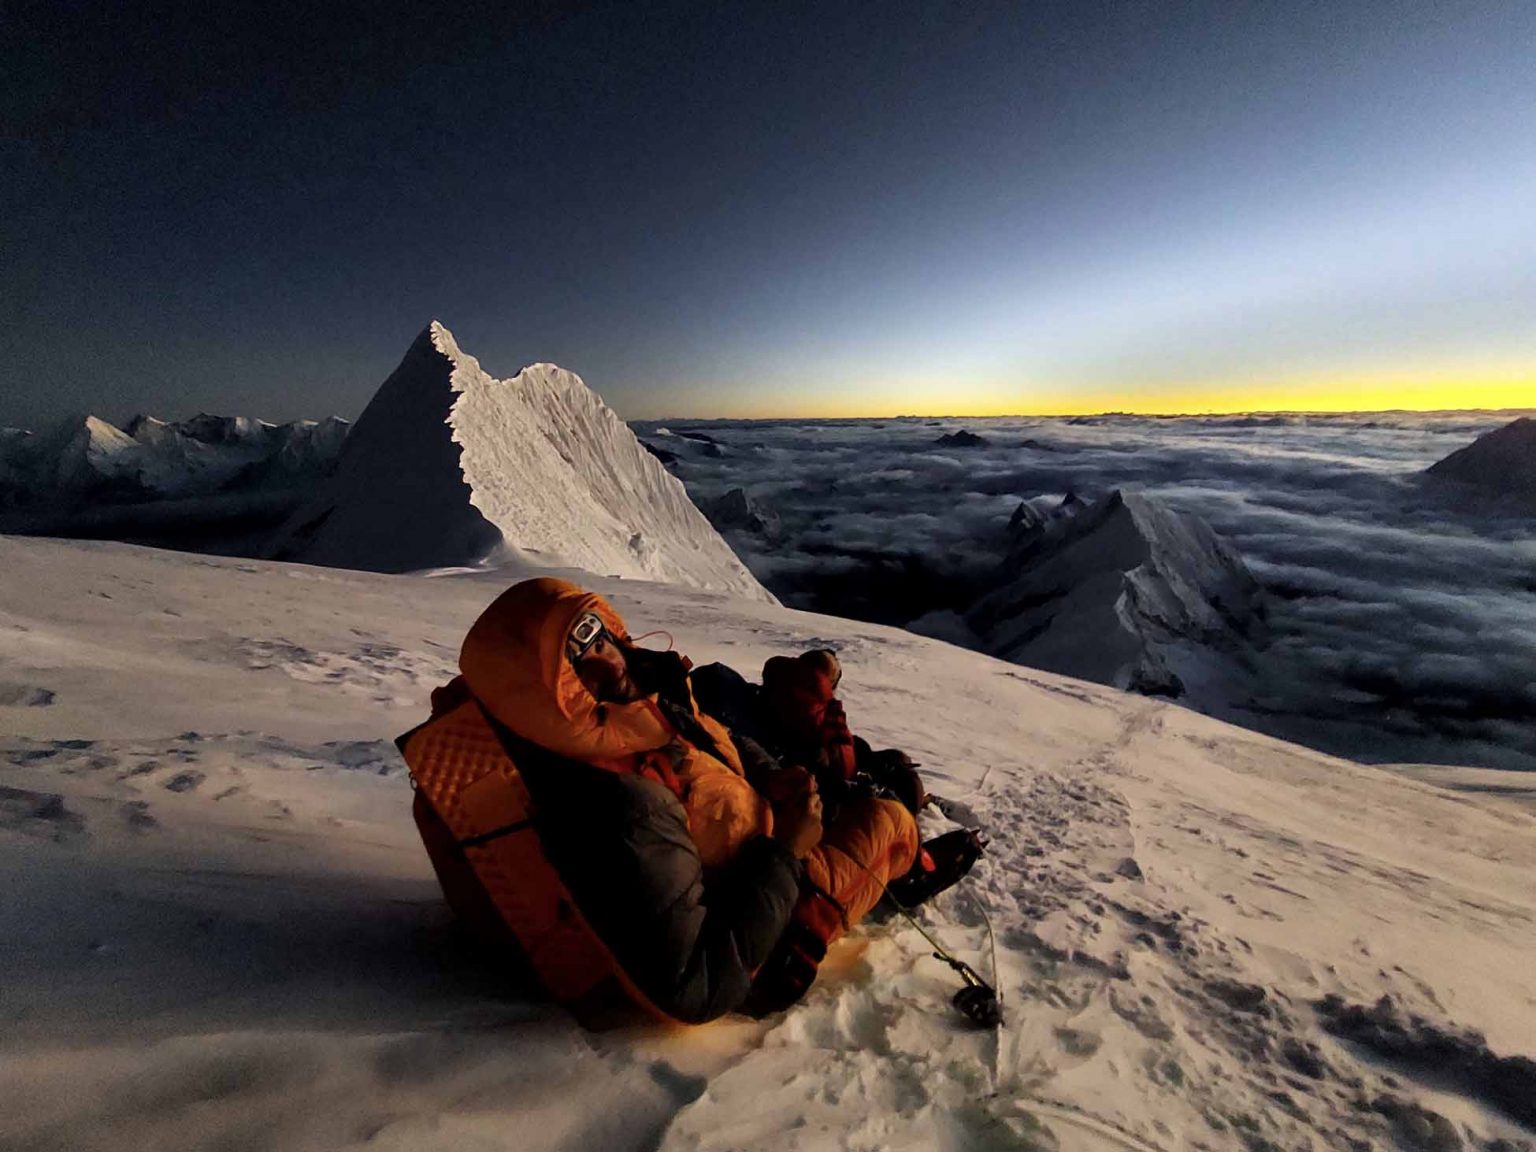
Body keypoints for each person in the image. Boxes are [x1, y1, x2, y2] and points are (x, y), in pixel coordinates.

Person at [399, 577, 919, 1024]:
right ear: (542, 691)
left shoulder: (574, 726)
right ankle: (891, 879)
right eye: (573, 664)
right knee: (889, 820)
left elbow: (711, 741)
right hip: (761, 896)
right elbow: (694, 988)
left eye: (597, 637)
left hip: (751, 837)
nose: (603, 659)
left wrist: (772, 775)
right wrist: (786, 849)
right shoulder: (624, 806)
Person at [692, 648, 984, 910]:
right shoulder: (815, 723)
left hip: (731, 768)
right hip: (777, 820)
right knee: (885, 815)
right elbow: (833, 770)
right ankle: (912, 870)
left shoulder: (726, 685)